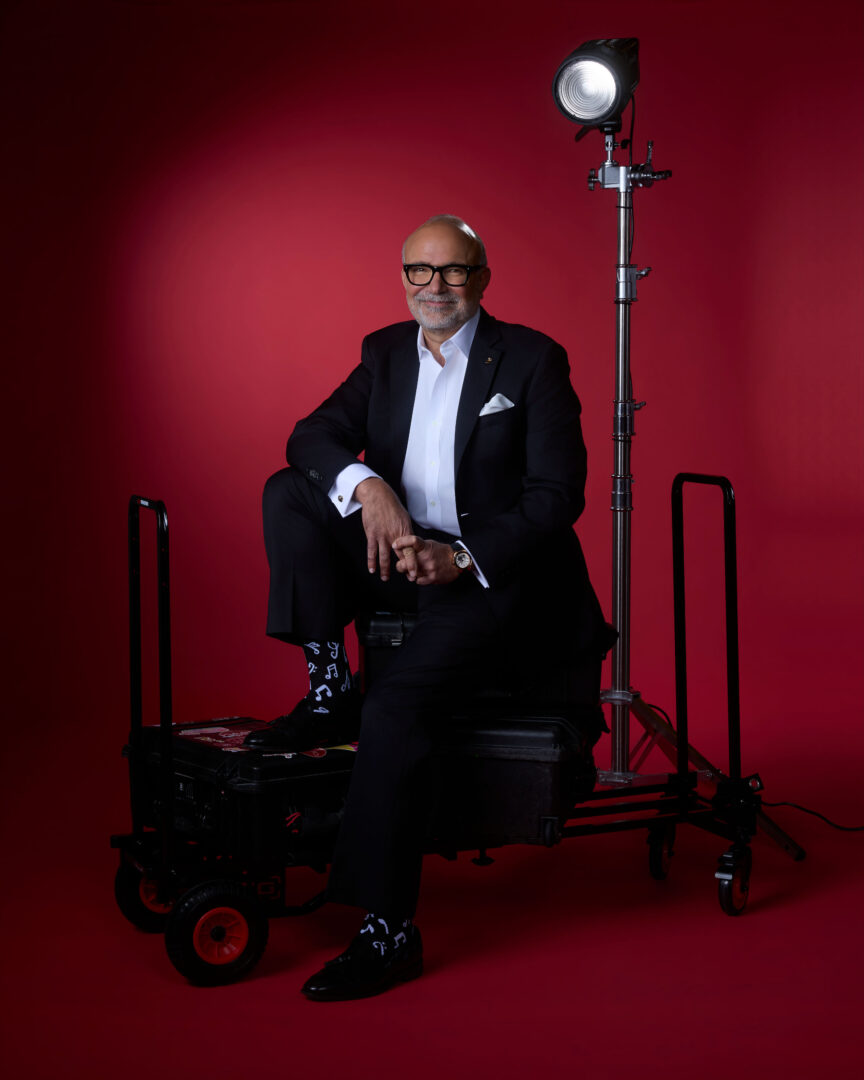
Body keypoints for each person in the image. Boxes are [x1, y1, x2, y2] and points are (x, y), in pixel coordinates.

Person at [244, 214, 606, 1000]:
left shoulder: (533, 359)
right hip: (398, 549)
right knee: (292, 492)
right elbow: (311, 436)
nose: (435, 287)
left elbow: (557, 498)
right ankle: (328, 687)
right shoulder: (384, 352)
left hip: (489, 575)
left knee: (397, 708)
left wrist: (462, 556)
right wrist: (369, 486)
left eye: (452, 271)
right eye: (420, 270)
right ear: (403, 277)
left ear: (482, 278)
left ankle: (387, 930)